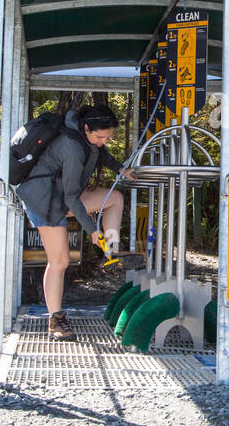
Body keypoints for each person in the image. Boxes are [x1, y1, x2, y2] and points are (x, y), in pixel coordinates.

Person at [13, 104, 136, 341]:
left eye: (108, 137)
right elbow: (71, 198)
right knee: (59, 262)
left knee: (114, 198)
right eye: (100, 137)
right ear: (87, 128)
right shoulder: (71, 147)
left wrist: (122, 169)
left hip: (62, 194)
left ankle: (111, 251)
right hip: (44, 200)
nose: (103, 141)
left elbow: (101, 154)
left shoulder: (86, 138)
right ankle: (55, 320)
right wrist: (92, 230)